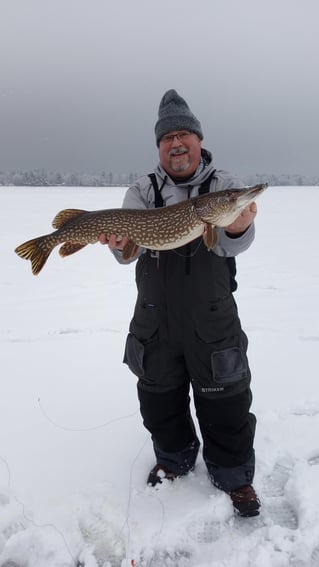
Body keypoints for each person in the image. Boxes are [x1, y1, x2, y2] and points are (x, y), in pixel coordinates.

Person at [100, 89, 260, 517]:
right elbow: (127, 251)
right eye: (168, 136)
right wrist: (120, 245)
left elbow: (234, 244)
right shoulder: (142, 190)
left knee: (226, 399)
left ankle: (234, 474)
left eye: (184, 134)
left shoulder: (223, 187)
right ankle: (173, 460)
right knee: (159, 399)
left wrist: (239, 222)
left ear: (199, 141)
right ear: (159, 147)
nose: (176, 143)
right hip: (155, 318)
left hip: (212, 317)